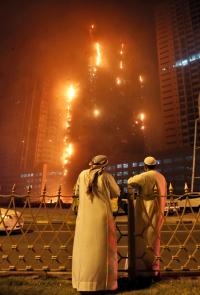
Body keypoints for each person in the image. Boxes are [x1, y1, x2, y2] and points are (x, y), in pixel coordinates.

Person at [72, 155, 120, 292]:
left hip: (84, 218)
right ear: (104, 165)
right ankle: (103, 284)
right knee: (103, 252)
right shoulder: (106, 176)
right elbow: (116, 192)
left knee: (84, 251)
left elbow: (76, 191)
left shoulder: (82, 174)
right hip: (102, 218)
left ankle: (83, 283)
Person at [127, 156, 167, 279]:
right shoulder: (161, 177)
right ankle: (154, 268)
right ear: (155, 166)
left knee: (143, 239)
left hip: (146, 211)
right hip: (159, 211)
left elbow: (130, 181)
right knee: (155, 240)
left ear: (145, 166)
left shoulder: (146, 176)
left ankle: (142, 268)